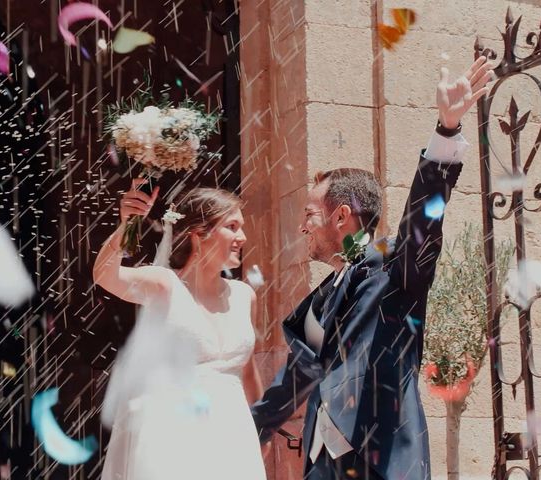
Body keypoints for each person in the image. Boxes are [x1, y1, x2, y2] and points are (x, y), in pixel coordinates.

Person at [251, 57, 494, 479]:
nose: (301, 226)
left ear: (341, 216)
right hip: (321, 465)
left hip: (381, 463)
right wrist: (240, 428)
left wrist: (446, 131)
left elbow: (422, 221)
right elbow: (297, 376)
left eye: (309, 214)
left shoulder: (395, 269)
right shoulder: (323, 299)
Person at [94, 185, 266, 480]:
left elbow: (247, 372)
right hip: (173, 435)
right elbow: (105, 275)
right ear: (199, 235)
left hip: (232, 434)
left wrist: (264, 427)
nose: (243, 237)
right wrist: (128, 224)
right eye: (232, 226)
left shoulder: (244, 296)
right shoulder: (164, 284)